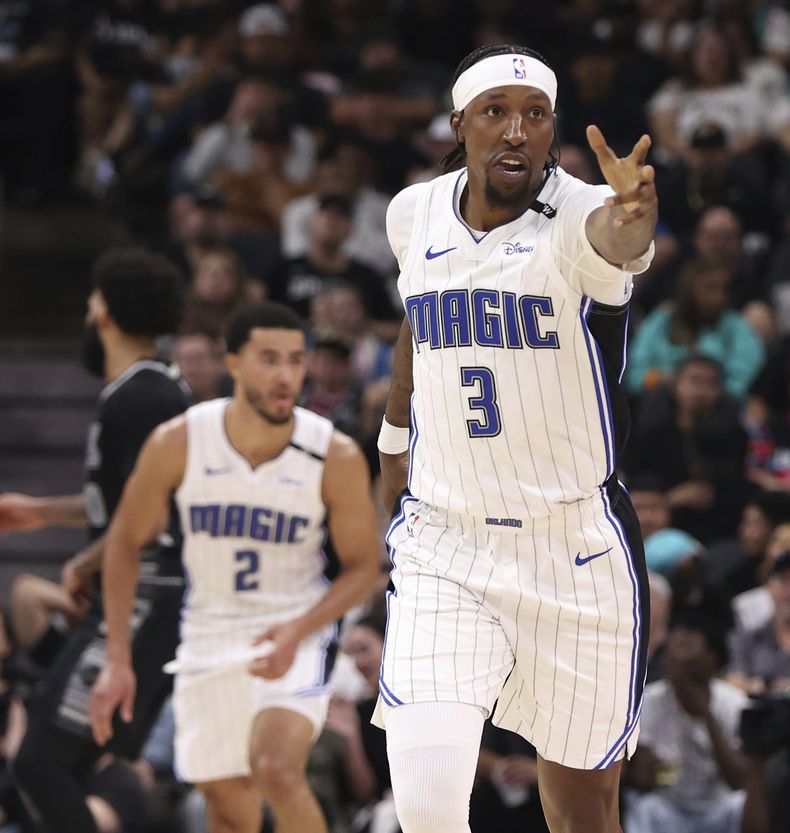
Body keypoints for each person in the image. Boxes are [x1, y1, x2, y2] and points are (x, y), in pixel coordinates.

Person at [376, 43, 657, 833]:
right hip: (447, 541)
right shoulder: (413, 213)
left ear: (553, 131)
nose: (516, 131)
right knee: (428, 809)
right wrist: (394, 438)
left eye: (535, 116)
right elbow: (415, 323)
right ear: (458, 123)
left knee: (580, 812)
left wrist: (635, 215)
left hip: (572, 550)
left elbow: (619, 239)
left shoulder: (582, 214)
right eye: (496, 112)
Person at [89, 301, 383, 833]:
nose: (286, 375)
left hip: (296, 626)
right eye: (269, 359)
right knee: (226, 809)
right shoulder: (179, 442)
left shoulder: (333, 454)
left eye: (296, 360)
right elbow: (124, 543)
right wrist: (117, 659)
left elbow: (365, 568)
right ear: (234, 364)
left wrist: (298, 630)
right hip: (208, 632)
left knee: (275, 769)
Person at [0, 247, 190, 833]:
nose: (87, 309)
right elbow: (122, 504)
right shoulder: (144, 389)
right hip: (135, 601)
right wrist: (42, 513)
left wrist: (84, 562)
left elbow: (150, 519)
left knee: (37, 765)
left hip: (143, 602)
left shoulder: (143, 396)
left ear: (105, 311)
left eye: (92, 299)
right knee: (64, 766)